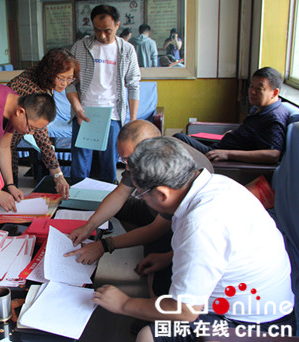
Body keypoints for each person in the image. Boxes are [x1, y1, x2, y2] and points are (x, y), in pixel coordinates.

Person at [92, 137, 295, 342]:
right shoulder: (216, 185)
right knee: (157, 280)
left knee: (148, 335)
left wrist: (123, 304)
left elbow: (186, 311)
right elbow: (219, 248)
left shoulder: (201, 224)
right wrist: (169, 257)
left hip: (252, 325)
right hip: (266, 304)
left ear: (162, 194)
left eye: (141, 193)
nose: (140, 197)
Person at [65, 120, 213, 296]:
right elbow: (119, 195)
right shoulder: (145, 157)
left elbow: (158, 227)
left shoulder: (173, 171)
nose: (127, 167)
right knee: (124, 206)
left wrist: (104, 245)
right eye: (123, 159)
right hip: (160, 211)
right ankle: (145, 245)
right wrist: (88, 226)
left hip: (178, 227)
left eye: (129, 160)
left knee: (159, 278)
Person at [67, 4, 141, 184]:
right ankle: (78, 201)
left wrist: (132, 120)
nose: (102, 35)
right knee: (80, 166)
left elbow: (133, 85)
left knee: (109, 166)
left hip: (113, 116)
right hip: (84, 113)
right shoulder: (80, 47)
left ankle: (106, 205)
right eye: (97, 30)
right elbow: (69, 82)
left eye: (107, 30)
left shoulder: (127, 50)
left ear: (117, 25)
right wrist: (77, 109)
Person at [174, 67, 289, 164]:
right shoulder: (260, 108)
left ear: (274, 92)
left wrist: (228, 154)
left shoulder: (274, 117)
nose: (252, 92)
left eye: (259, 89)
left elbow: (273, 154)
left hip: (220, 156)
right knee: (179, 139)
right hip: (221, 146)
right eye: (251, 87)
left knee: (176, 140)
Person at [7, 48, 80, 198]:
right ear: (50, 73)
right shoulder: (33, 90)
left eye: (69, 79)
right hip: (0, 143)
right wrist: (58, 175)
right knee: (8, 190)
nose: (65, 84)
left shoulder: (40, 77)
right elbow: (42, 137)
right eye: (61, 78)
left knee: (10, 188)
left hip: (9, 144)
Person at [0, 84, 56, 212]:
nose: (31, 133)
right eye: (31, 128)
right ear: (20, 112)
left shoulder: (13, 103)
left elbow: (4, 147)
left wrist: (10, 184)